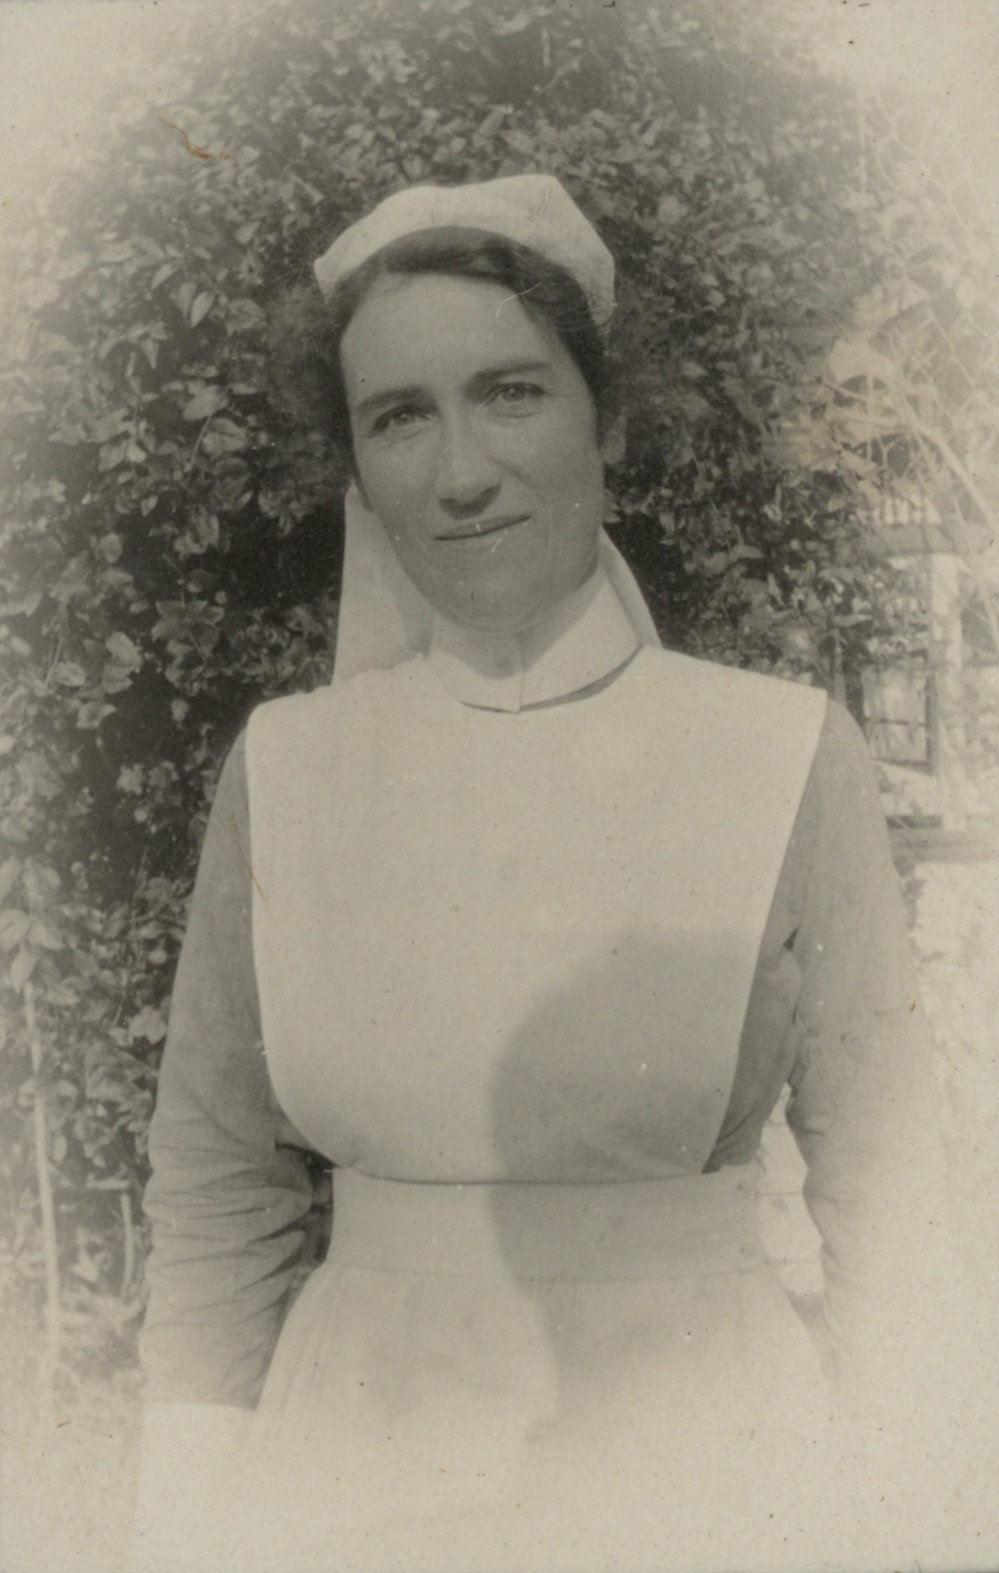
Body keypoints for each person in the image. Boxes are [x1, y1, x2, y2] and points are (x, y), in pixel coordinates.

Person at [133, 174, 983, 1573]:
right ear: (357, 465)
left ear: (614, 420)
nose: (460, 469)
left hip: (708, 1472)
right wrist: (180, 1522)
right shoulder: (285, 768)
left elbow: (888, 1194)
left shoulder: (783, 752)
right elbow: (218, 1187)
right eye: (399, 416)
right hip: (354, 1473)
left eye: (511, 391)